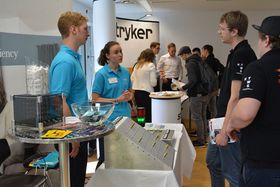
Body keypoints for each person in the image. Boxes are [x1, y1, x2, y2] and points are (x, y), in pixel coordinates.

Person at [227, 16, 280, 187]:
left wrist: (232, 123)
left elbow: (244, 114)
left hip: (265, 164)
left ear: (266, 40)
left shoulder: (258, 68)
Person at [206, 10, 257, 187]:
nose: (219, 32)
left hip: (229, 124)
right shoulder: (235, 53)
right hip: (221, 119)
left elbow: (235, 97)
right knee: (213, 162)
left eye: (222, 29)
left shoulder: (242, 54)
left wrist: (225, 130)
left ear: (234, 31)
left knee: (233, 173)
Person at [49, 11, 90, 187]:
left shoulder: (72, 59)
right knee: (73, 182)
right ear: (73, 29)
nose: (88, 33)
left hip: (77, 131)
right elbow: (59, 101)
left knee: (78, 179)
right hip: (71, 134)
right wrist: (72, 136)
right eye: (85, 29)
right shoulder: (65, 61)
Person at [92, 41, 133, 168]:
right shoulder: (101, 74)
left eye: (121, 51)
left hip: (125, 119)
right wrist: (116, 100)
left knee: (124, 155)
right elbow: (94, 99)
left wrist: (129, 96)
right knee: (107, 158)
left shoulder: (125, 72)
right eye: (116, 52)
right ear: (108, 56)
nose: (120, 54)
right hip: (108, 121)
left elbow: (131, 92)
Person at [179, 46, 208, 146]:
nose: (182, 58)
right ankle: (204, 139)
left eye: (182, 56)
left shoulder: (190, 63)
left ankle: (200, 141)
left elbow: (193, 80)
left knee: (197, 118)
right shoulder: (199, 60)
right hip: (204, 92)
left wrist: (184, 87)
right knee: (203, 116)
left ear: (185, 54)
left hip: (196, 94)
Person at [131, 48, 157, 123]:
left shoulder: (137, 65)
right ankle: (149, 130)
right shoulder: (151, 65)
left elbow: (132, 79)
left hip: (137, 93)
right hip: (147, 93)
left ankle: (141, 127)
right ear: (151, 57)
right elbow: (153, 83)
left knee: (140, 113)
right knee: (149, 114)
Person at [201, 44, 225, 119]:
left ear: (206, 51)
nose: (201, 53)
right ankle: (214, 126)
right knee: (213, 108)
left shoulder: (206, 63)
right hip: (215, 88)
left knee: (204, 109)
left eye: (202, 51)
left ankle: (206, 127)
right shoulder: (215, 60)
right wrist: (219, 81)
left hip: (207, 89)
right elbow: (223, 70)